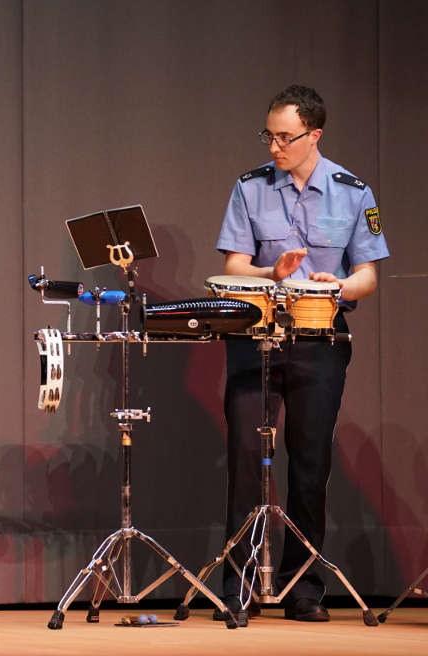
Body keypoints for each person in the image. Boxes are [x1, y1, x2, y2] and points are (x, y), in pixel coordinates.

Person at [214, 85, 389, 622]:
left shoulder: (353, 192)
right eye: (268, 135)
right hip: (256, 339)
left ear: (314, 135)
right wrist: (272, 273)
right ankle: (238, 585)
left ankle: (302, 587)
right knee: (246, 460)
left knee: (311, 466)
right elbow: (233, 264)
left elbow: (368, 276)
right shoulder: (249, 188)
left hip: (320, 342)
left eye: (284, 137)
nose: (274, 147)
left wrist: (334, 286)